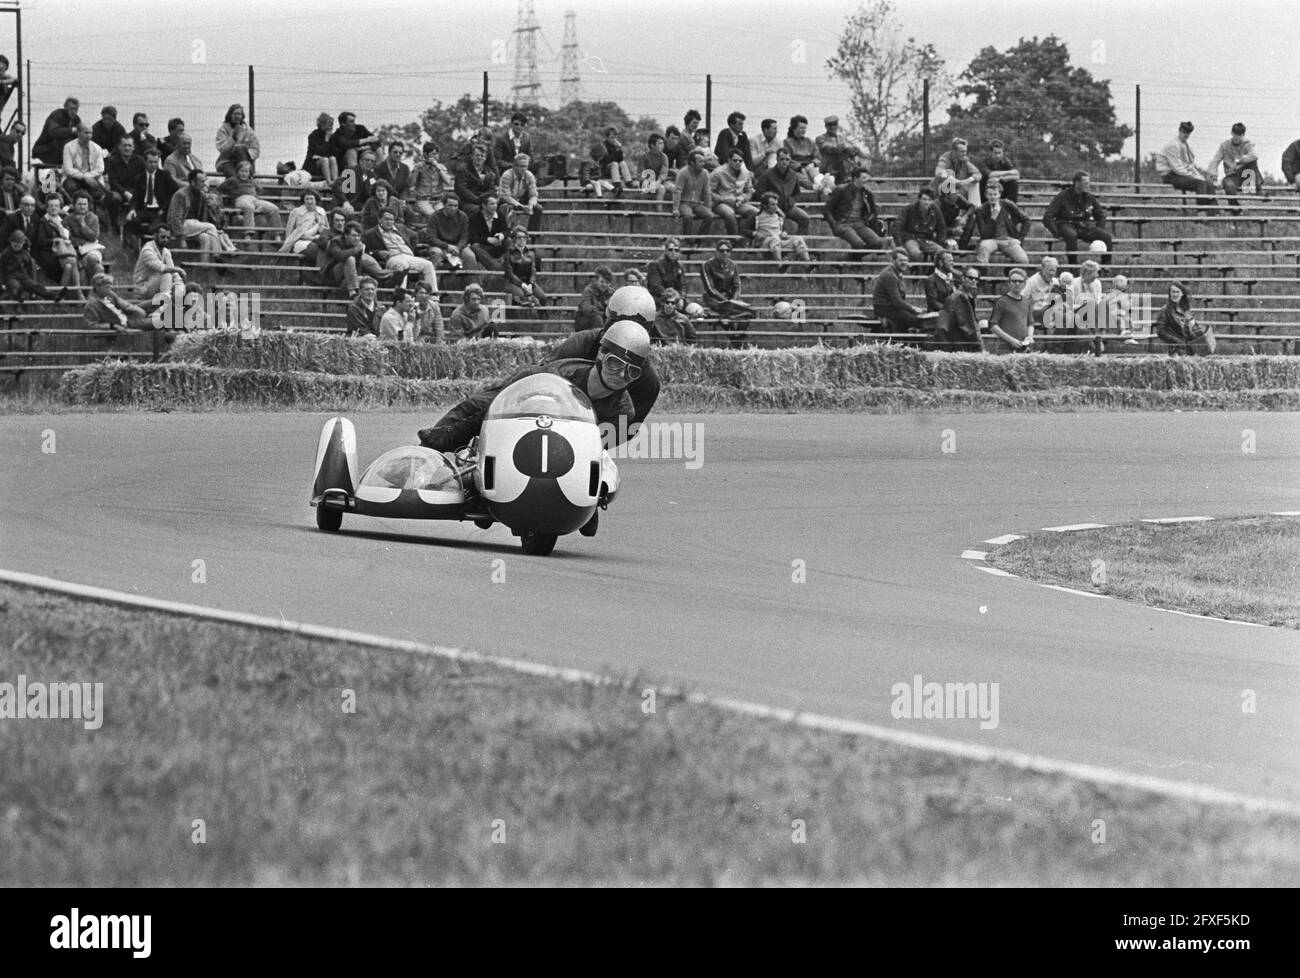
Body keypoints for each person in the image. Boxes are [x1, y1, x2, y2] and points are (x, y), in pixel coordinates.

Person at [414, 319, 652, 512]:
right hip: (529, 399)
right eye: (614, 364)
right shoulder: (559, 375)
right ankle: (429, 457)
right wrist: (456, 432)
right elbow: (505, 406)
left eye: (631, 372)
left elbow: (595, 450)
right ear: (600, 356)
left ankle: (587, 503)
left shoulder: (624, 412)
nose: (620, 374)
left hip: (566, 451)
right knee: (478, 405)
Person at [551, 285, 660, 432]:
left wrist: (587, 439)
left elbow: (626, 429)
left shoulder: (648, 382)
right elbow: (541, 382)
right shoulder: (580, 344)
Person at [1042, 171, 1113, 267]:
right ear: (1077, 183)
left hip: (1083, 225)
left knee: (1106, 237)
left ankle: (1105, 267)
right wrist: (1056, 233)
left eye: (1088, 183)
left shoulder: (1089, 197)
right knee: (1071, 235)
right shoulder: (1062, 196)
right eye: (1086, 183)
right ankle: (1073, 267)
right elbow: (1048, 216)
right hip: (1065, 224)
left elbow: (1101, 215)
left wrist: (1099, 228)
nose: (1088, 185)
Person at [167, 168, 234, 261]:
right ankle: (218, 256)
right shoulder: (181, 195)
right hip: (182, 225)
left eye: (204, 181)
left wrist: (217, 229)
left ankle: (205, 266)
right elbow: (175, 218)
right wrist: (181, 238)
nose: (204, 184)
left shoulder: (201, 195)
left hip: (195, 225)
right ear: (193, 182)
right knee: (211, 227)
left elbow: (205, 216)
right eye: (202, 181)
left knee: (205, 237)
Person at [958, 180, 1030, 266]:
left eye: (995, 194)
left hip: (1008, 240)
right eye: (990, 195)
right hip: (991, 240)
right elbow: (984, 235)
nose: (993, 197)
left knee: (1024, 260)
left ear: (999, 195)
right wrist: (993, 217)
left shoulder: (1007, 204)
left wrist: (1019, 239)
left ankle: (1011, 273)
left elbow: (1026, 220)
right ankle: (982, 277)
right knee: (983, 249)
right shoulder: (981, 210)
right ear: (986, 195)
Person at [363, 208, 437, 289]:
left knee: (428, 265)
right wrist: (378, 253)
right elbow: (366, 252)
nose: (389, 222)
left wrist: (410, 248)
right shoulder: (371, 233)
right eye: (386, 219)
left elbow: (415, 235)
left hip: (408, 256)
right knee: (402, 266)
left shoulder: (400, 228)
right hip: (392, 258)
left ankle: (433, 296)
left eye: (391, 219)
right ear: (379, 219)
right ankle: (401, 296)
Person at [824, 167, 884, 257]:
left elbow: (873, 210)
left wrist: (871, 219)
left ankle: (852, 258)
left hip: (859, 223)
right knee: (858, 244)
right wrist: (834, 224)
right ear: (855, 178)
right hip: (843, 223)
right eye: (863, 178)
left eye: (867, 178)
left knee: (877, 243)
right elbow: (826, 209)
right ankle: (853, 261)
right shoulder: (841, 189)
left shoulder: (866, 192)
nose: (866, 181)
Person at [1155, 121, 1217, 209]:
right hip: (1170, 175)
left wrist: (1199, 176)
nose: (1186, 135)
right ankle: (1202, 212)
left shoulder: (1186, 146)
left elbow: (1190, 165)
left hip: (1181, 174)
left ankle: (1214, 212)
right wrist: (1195, 177)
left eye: (1188, 133)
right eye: (1184, 132)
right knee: (1200, 183)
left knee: (1208, 182)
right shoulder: (1173, 145)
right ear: (1179, 131)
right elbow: (1177, 168)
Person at [753, 147, 810, 236]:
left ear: (790, 160)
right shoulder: (767, 174)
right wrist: (772, 205)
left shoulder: (793, 175)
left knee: (805, 218)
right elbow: (759, 193)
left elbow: (797, 193)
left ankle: (800, 242)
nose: (784, 162)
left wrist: (792, 201)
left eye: (787, 159)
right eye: (781, 159)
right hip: (772, 208)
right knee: (782, 219)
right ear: (777, 159)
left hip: (788, 207)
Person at [1207, 123, 1262, 213]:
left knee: (1252, 161)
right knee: (1228, 185)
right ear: (1232, 133)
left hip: (1246, 175)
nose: (1237, 137)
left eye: (1240, 135)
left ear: (1243, 135)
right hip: (1232, 175)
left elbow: (1254, 155)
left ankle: (1258, 188)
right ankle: (1236, 209)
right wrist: (1214, 176)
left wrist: (1240, 161)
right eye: (1235, 134)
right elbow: (1215, 161)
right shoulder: (1224, 146)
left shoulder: (1247, 143)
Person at [126, 148, 179, 240]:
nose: (153, 165)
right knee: (130, 221)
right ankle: (143, 237)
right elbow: (135, 197)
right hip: (144, 209)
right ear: (145, 162)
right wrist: (132, 210)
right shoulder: (140, 177)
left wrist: (164, 208)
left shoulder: (164, 175)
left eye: (155, 162)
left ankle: (144, 238)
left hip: (158, 211)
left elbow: (175, 192)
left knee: (153, 229)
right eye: (150, 162)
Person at [871, 249, 930, 332]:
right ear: (893, 261)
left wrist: (912, 309)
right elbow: (897, 301)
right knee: (917, 320)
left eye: (906, 260)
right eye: (901, 260)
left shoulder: (897, 273)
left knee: (920, 317)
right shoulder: (890, 275)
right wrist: (913, 308)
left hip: (892, 307)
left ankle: (904, 340)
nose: (904, 263)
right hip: (884, 308)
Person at [220, 159, 283, 235]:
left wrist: (255, 188)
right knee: (249, 207)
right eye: (242, 171)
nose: (244, 173)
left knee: (273, 208)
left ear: (249, 173)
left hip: (254, 199)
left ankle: (276, 234)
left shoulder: (252, 181)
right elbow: (221, 187)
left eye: (246, 171)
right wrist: (231, 194)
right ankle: (249, 233)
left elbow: (259, 189)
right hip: (241, 199)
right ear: (237, 171)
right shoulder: (233, 180)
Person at [1, 230, 68, 303]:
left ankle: (54, 296)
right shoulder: (5, 254)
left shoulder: (25, 254)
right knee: (15, 285)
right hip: (11, 277)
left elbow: (30, 269)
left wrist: (32, 280)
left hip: (23, 277)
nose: (17, 246)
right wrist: (1, 283)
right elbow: (1, 269)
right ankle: (18, 296)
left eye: (19, 244)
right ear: (10, 242)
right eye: (15, 244)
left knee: (36, 286)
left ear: (23, 243)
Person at [325, 220, 388, 296]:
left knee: (370, 281)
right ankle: (352, 291)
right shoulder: (335, 242)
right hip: (336, 277)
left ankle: (387, 276)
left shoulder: (358, 245)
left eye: (358, 236)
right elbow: (340, 255)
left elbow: (359, 264)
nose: (357, 238)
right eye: (354, 235)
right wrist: (355, 249)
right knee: (351, 259)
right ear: (346, 235)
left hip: (350, 279)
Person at [700, 239, 754, 324]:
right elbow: (710, 289)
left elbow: (737, 286)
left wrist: (733, 300)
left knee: (752, 311)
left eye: (727, 250)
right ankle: (731, 317)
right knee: (744, 311)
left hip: (730, 298)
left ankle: (725, 318)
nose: (724, 253)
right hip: (713, 298)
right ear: (717, 252)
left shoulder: (733, 265)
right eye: (722, 251)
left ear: (730, 252)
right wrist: (727, 301)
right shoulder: (707, 265)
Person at [1154, 281, 1215, 355]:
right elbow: (1161, 331)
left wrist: (1198, 332)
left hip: (1191, 347)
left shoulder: (1186, 309)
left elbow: (1192, 327)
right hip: (1176, 349)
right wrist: (1178, 342)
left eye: (1177, 292)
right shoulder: (1165, 310)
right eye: (1173, 292)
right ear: (1170, 293)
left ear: (1182, 294)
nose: (1175, 294)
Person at [752, 192, 810, 270]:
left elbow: (784, 229)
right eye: (773, 205)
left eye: (776, 204)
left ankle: (807, 264)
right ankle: (780, 265)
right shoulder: (756, 217)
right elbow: (743, 230)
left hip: (778, 244)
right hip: (764, 245)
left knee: (798, 239)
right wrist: (754, 233)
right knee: (774, 239)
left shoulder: (779, 217)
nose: (776, 207)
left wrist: (784, 232)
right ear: (765, 206)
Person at [133, 224, 186, 308]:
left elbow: (175, 276)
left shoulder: (166, 252)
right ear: (155, 236)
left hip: (160, 288)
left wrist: (180, 288)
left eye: (168, 238)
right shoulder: (147, 250)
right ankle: (166, 306)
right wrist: (179, 269)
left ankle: (168, 304)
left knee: (179, 285)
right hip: (143, 288)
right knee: (167, 274)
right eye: (163, 237)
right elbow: (161, 268)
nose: (165, 240)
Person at [709, 149, 758, 238]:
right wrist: (723, 199)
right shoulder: (718, 173)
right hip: (721, 203)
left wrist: (743, 197)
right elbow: (708, 192)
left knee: (756, 212)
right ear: (729, 161)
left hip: (739, 203)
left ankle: (748, 236)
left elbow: (749, 191)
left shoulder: (746, 173)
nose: (738, 163)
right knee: (729, 213)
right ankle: (734, 239)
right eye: (735, 160)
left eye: (740, 161)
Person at [783, 115, 834, 199]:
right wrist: (799, 167)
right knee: (798, 176)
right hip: (796, 168)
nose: (803, 130)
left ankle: (821, 182)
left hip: (810, 166)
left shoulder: (810, 142)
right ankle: (819, 186)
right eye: (801, 128)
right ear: (794, 128)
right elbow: (787, 159)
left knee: (813, 170)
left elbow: (818, 157)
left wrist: (813, 163)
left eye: (804, 128)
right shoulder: (787, 142)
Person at [935, 265, 984, 352]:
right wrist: (979, 347)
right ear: (963, 278)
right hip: (958, 343)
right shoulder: (960, 296)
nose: (974, 281)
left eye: (976, 279)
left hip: (957, 341)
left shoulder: (965, 295)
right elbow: (967, 327)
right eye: (970, 278)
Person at [898, 185, 952, 262]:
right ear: (919, 199)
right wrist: (899, 244)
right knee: (915, 253)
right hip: (911, 238)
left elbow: (942, 228)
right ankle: (917, 270)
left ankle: (930, 271)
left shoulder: (935, 210)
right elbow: (897, 226)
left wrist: (940, 242)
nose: (926, 202)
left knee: (944, 255)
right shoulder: (909, 209)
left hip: (927, 240)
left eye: (929, 200)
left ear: (932, 201)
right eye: (924, 199)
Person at [83, 272, 149, 334]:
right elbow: (91, 325)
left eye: (110, 287)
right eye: (107, 287)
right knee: (156, 322)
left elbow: (126, 306)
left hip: (128, 317)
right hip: (124, 323)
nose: (110, 290)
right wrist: (112, 326)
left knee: (154, 303)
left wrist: (140, 312)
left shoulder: (110, 295)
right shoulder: (91, 305)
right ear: (98, 287)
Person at [425, 193, 476, 270]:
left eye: (455, 206)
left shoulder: (463, 216)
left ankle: (472, 281)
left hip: (458, 246)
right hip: (440, 246)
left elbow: (465, 237)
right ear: (444, 205)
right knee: (436, 253)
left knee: (470, 256)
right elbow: (431, 237)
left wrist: (458, 248)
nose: (453, 208)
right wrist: (446, 246)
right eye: (450, 205)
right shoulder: (435, 217)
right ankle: (434, 281)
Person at [987, 267, 1033, 353]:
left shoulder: (1027, 302)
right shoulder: (1001, 302)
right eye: (1014, 281)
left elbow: (1030, 323)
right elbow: (992, 325)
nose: (1017, 284)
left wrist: (1030, 336)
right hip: (1004, 349)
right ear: (1009, 283)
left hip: (1023, 348)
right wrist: (1011, 340)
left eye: (1020, 281)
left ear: (1025, 284)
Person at [61, 123, 108, 207]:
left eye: (91, 133)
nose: (89, 135)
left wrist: (88, 176)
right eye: (86, 133)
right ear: (78, 133)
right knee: (70, 187)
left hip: (91, 177)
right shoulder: (68, 147)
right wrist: (84, 177)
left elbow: (100, 169)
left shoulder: (97, 148)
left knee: (100, 193)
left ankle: (94, 213)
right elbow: (68, 169)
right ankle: (72, 209)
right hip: (74, 178)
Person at [502, 226, 546, 311]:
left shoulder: (531, 253)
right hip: (512, 282)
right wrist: (522, 285)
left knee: (542, 297)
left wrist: (531, 283)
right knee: (521, 295)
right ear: (514, 239)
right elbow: (510, 274)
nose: (522, 239)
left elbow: (533, 271)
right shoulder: (508, 253)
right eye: (519, 237)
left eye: (524, 237)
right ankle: (516, 316)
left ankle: (540, 318)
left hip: (528, 282)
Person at [497, 153, 543, 233]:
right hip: (507, 200)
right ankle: (504, 232)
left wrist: (530, 205)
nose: (524, 169)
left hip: (521, 199)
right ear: (514, 166)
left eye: (526, 166)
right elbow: (505, 196)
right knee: (503, 208)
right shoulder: (507, 175)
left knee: (538, 208)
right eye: (521, 166)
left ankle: (533, 235)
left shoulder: (529, 175)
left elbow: (533, 195)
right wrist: (521, 206)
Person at [66, 191, 106, 282]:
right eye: (79, 204)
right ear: (74, 205)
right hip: (75, 251)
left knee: (94, 261)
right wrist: (83, 241)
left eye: (85, 204)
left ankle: (98, 292)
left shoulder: (93, 218)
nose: (82, 207)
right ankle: (91, 292)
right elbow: (69, 238)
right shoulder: (68, 219)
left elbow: (94, 237)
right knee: (91, 270)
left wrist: (83, 224)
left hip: (91, 249)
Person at [280, 189, 329, 260]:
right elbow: (289, 230)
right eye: (307, 199)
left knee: (327, 247)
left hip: (318, 239)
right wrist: (289, 244)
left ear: (316, 200)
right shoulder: (297, 211)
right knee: (315, 249)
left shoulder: (321, 212)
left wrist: (320, 227)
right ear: (303, 200)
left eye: (311, 199)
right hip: (300, 240)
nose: (309, 201)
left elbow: (326, 230)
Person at [673, 150, 713, 236]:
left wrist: (708, 207)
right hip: (684, 203)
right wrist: (675, 208)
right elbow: (677, 191)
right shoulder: (683, 173)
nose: (703, 164)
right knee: (688, 216)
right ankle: (688, 241)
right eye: (700, 161)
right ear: (692, 163)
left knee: (709, 215)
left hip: (697, 204)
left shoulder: (705, 173)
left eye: (703, 161)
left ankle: (699, 241)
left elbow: (707, 192)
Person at [815, 115, 864, 186]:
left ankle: (855, 173)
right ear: (826, 126)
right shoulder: (820, 138)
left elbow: (851, 149)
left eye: (834, 125)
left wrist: (854, 150)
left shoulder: (841, 138)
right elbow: (829, 148)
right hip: (828, 169)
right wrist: (845, 148)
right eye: (829, 125)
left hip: (843, 170)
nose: (832, 127)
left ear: (837, 126)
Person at [214, 103, 261, 177]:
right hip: (227, 161)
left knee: (240, 149)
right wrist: (233, 138)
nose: (237, 116)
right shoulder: (223, 130)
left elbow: (255, 150)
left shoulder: (249, 131)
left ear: (242, 116)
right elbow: (222, 149)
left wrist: (245, 152)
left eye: (239, 114)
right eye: (234, 114)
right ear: (230, 115)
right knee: (236, 176)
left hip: (246, 162)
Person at [933, 137, 982, 206]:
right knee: (950, 175)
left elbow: (978, 174)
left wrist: (969, 180)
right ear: (954, 151)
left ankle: (974, 210)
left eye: (965, 151)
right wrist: (953, 179)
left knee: (974, 183)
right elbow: (938, 172)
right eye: (962, 151)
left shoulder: (965, 160)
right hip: (943, 189)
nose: (965, 154)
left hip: (959, 189)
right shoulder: (945, 158)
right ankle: (950, 208)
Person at [411, 142, 455, 217]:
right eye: (433, 154)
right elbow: (411, 183)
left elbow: (448, 181)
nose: (436, 156)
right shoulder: (419, 167)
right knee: (434, 216)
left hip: (438, 201)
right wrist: (417, 170)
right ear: (425, 155)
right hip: (423, 201)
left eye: (437, 154)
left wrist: (437, 166)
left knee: (445, 215)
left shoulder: (441, 167)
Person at [33, 97, 81, 165]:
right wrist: (72, 130)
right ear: (65, 107)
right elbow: (53, 132)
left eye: (76, 109)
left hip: (59, 151)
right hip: (45, 150)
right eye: (71, 109)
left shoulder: (76, 119)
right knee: (65, 142)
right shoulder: (56, 115)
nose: (74, 112)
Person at [454, 141, 497, 216]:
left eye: (482, 155)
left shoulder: (489, 172)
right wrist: (477, 200)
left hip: (484, 201)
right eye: (477, 155)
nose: (479, 157)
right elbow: (461, 189)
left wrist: (483, 199)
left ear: (485, 158)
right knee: (479, 211)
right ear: (472, 156)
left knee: (498, 209)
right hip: (467, 202)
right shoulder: (463, 170)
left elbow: (491, 190)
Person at [1023, 255, 1060, 327]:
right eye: (1049, 270)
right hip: (1036, 311)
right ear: (1042, 268)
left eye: (1054, 271)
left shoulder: (1055, 281)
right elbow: (1022, 298)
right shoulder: (1032, 281)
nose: (1051, 273)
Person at [574, 266, 615, 332]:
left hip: (601, 320)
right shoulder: (589, 291)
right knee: (597, 318)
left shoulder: (611, 293)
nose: (604, 284)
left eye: (607, 283)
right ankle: (599, 339)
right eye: (602, 282)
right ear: (596, 280)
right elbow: (587, 310)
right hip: (584, 322)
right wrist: (604, 312)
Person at [646, 237, 685, 303]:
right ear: (666, 250)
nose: (673, 252)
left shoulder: (680, 266)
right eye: (671, 250)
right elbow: (655, 287)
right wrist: (671, 297)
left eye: (676, 250)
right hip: (659, 299)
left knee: (693, 309)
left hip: (675, 300)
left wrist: (681, 298)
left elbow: (683, 286)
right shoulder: (655, 265)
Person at [303, 113, 339, 183]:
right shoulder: (313, 135)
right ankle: (329, 181)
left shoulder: (332, 136)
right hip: (313, 164)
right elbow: (320, 152)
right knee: (325, 160)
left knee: (333, 159)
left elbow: (334, 152)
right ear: (322, 124)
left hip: (327, 163)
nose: (331, 127)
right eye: (329, 124)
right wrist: (326, 139)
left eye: (332, 125)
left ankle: (335, 181)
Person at [637, 134, 671, 201]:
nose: (663, 145)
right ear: (652, 145)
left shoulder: (664, 157)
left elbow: (663, 173)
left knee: (673, 188)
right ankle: (659, 210)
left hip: (659, 181)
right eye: (660, 143)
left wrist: (657, 182)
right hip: (646, 182)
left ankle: (675, 209)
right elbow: (641, 174)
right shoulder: (644, 156)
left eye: (663, 143)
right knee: (661, 188)